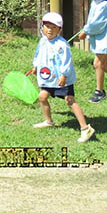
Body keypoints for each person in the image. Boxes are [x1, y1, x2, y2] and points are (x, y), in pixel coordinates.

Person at [26, 11, 95, 143]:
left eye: (54, 28)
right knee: (42, 96)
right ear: (42, 27)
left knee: (70, 101)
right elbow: (38, 55)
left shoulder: (62, 44)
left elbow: (66, 61)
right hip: (47, 78)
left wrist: (64, 75)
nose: (50, 30)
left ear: (59, 29)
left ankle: (85, 128)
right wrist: (36, 66)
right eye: (47, 27)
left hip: (62, 80)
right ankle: (48, 121)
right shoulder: (42, 42)